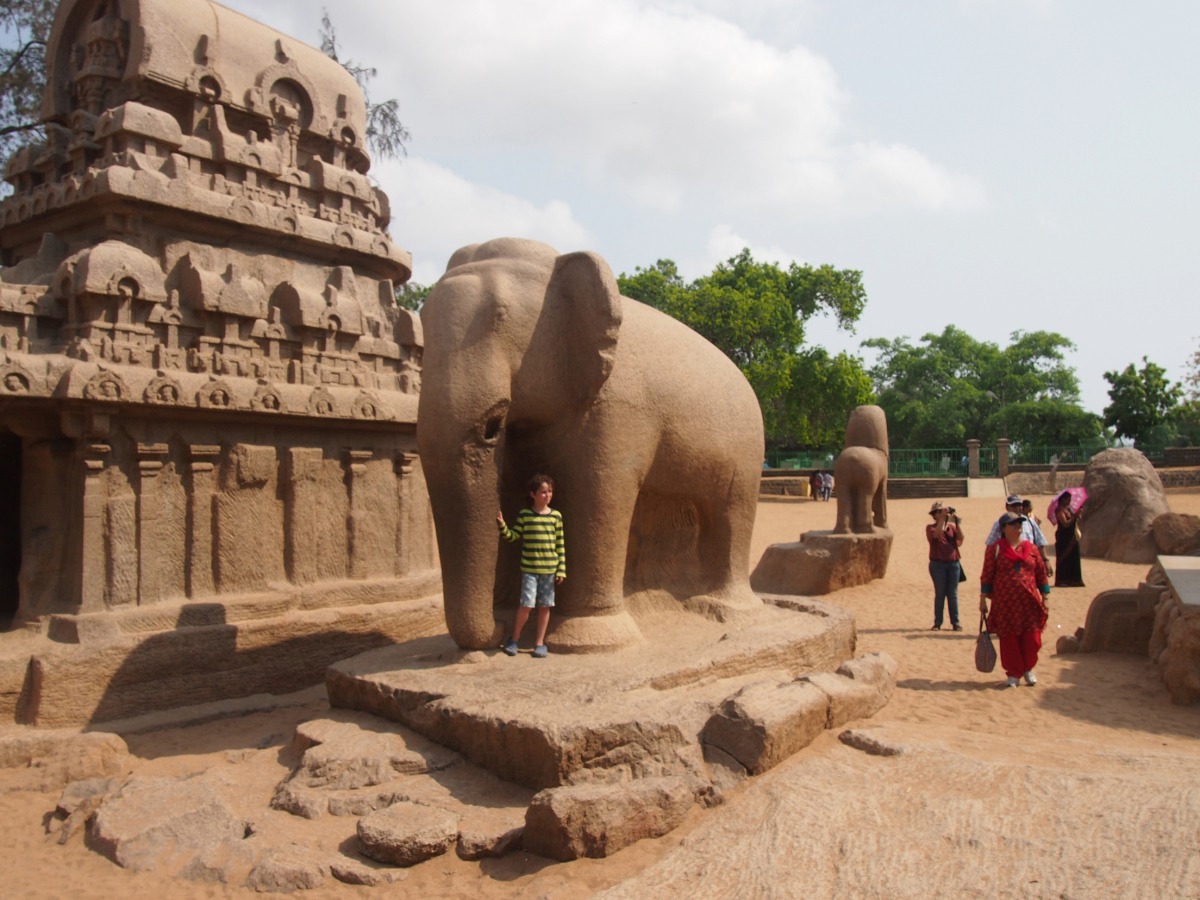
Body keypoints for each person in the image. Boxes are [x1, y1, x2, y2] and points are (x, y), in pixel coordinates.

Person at [497, 474, 566, 658]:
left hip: (549, 570)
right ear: (533, 494)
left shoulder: (556, 517)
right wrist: (502, 525)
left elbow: (560, 545)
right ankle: (514, 640)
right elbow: (513, 536)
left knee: (545, 606)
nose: (547, 495)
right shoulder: (526, 515)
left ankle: (539, 643)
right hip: (529, 570)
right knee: (526, 605)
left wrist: (561, 569)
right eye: (543, 492)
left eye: (550, 491)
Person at [979, 512, 1051, 688]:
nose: (1017, 526)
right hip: (1006, 603)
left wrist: (1045, 597)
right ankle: (1014, 673)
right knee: (1009, 638)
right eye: (1013, 524)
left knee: (1033, 638)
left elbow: (1041, 574)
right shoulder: (995, 549)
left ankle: (1028, 668)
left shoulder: (1032, 549)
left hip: (1029, 603)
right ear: (1004, 528)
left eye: (1019, 523)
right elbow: (987, 575)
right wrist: (982, 600)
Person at [984, 494, 1052, 576]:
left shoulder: (1030, 522)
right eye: (1013, 505)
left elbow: (1040, 543)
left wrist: (1046, 560)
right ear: (1007, 507)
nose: (1017, 508)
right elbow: (990, 546)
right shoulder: (1000, 523)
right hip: (1007, 566)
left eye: (1019, 505)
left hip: (1029, 564)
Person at [926, 501, 964, 631]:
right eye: (939, 512)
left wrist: (957, 523)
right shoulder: (930, 528)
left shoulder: (951, 528)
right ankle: (938, 623)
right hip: (938, 565)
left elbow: (960, 540)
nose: (942, 514)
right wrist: (942, 519)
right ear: (934, 515)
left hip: (953, 564)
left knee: (952, 594)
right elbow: (936, 535)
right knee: (940, 594)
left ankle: (955, 622)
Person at [1052, 490, 1085, 587]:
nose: (1070, 500)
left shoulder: (1069, 509)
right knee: (1064, 558)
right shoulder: (1059, 510)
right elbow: (1065, 524)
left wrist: (1077, 514)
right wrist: (1075, 516)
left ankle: (1074, 580)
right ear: (1063, 499)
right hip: (1064, 538)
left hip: (1072, 537)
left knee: (1074, 557)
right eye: (1068, 499)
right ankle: (1063, 580)